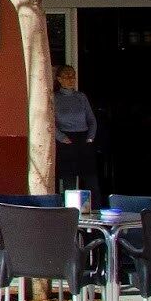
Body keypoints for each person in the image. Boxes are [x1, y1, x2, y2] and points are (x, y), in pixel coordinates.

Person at [54, 65, 100, 202]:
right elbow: (49, 122)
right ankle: (71, 211)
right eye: (67, 76)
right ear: (59, 79)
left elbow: (91, 119)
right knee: (69, 181)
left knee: (91, 180)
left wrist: (90, 137)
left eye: (73, 76)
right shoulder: (54, 98)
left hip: (84, 139)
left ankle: (95, 209)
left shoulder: (81, 97)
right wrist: (61, 137)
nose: (71, 79)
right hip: (66, 141)